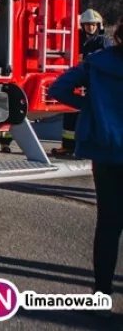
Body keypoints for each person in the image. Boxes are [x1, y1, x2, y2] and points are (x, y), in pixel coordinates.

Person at [48, 16, 123, 312]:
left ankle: (101, 295)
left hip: (106, 152)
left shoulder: (96, 62)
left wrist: (90, 107)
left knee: (108, 225)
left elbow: (58, 89)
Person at [52, 9, 113, 158]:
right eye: (87, 25)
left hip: (96, 85)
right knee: (70, 113)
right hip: (80, 82)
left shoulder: (103, 42)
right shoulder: (78, 41)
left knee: (92, 116)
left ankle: (87, 148)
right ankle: (67, 146)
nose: (90, 27)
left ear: (98, 26)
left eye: (93, 25)